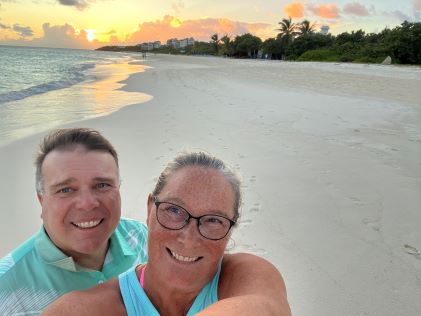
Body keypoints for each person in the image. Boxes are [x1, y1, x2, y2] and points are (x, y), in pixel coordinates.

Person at [43, 151, 291, 315]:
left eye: (213, 220)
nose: (189, 237)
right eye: (174, 210)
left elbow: (267, 309)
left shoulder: (246, 274)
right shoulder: (82, 309)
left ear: (231, 228)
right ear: (150, 208)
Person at [0, 128, 148, 315]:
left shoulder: (142, 238)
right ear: (41, 200)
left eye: (102, 185)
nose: (87, 204)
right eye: (65, 189)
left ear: (118, 189)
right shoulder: (6, 291)